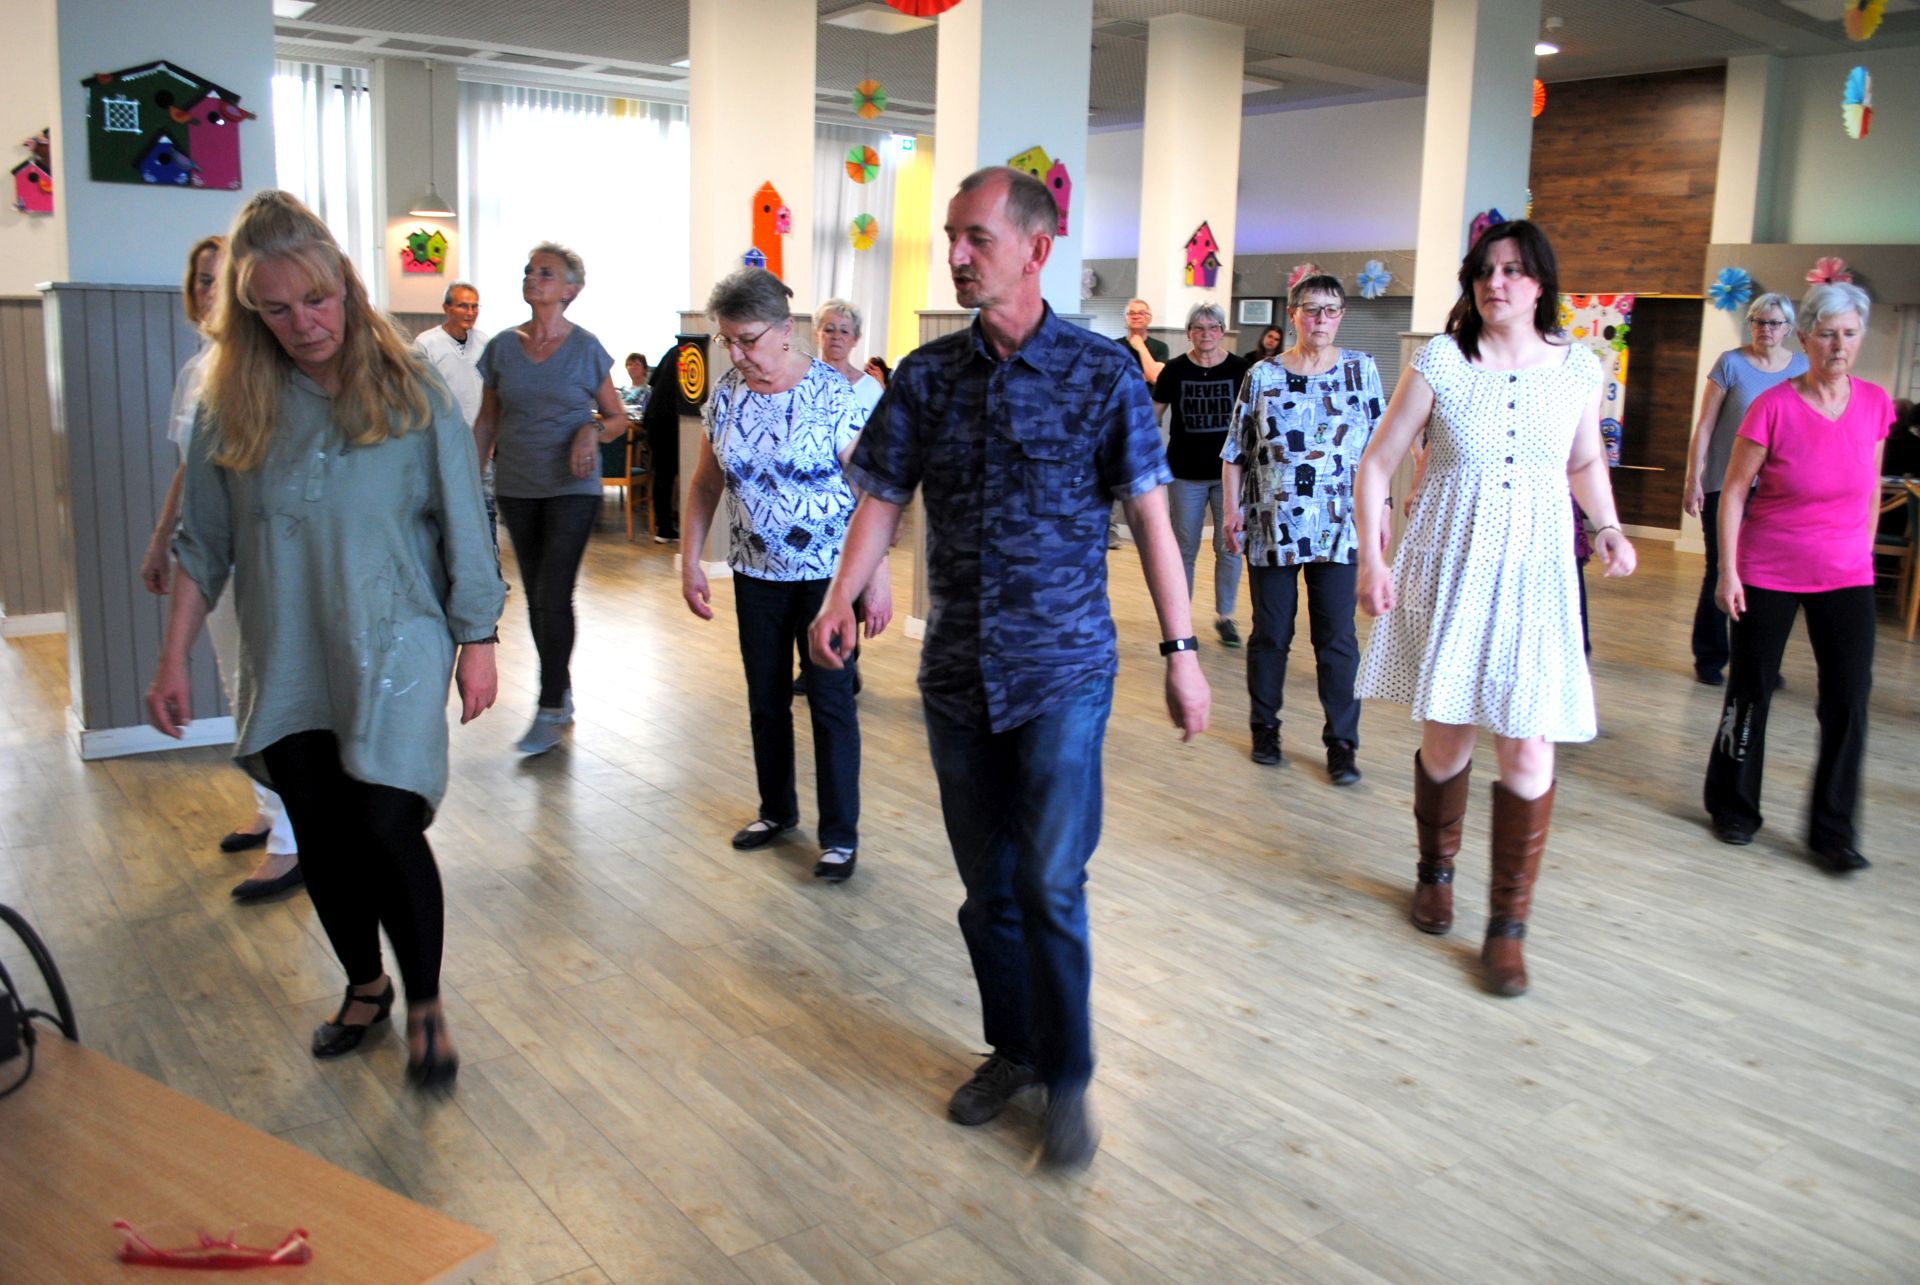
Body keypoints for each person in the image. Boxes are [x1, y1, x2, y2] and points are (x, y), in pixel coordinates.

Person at [808, 166, 1210, 1170]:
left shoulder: (1103, 374)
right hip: (956, 676)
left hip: (1063, 673)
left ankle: (1068, 1079)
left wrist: (1182, 650)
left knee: (1048, 881)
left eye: (976, 237)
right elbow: (882, 497)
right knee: (987, 889)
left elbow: (1152, 517)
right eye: (952, 235)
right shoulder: (925, 377)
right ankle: (1016, 1049)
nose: (956, 254)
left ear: (1037, 248)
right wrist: (840, 595)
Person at [144, 190, 503, 1090]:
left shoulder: (411, 387)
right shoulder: (231, 404)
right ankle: (366, 985)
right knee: (324, 831)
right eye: (275, 308)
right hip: (291, 649)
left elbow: (464, 517)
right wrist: (172, 656)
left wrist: (480, 636)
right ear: (248, 311)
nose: (303, 323)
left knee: (386, 820)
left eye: (316, 299)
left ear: (344, 283)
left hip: (398, 639)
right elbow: (201, 541)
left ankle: (426, 1002)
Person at [1352, 219, 1637, 999]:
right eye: (1484, 270)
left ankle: (1508, 925)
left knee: (1528, 747)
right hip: (1450, 564)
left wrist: (1608, 526)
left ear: (1540, 283)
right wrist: (1373, 558)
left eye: (1511, 270)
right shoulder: (1443, 361)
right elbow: (1377, 463)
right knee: (1447, 739)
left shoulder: (1578, 368)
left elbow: (1584, 459)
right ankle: (1435, 870)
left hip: (1537, 575)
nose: (1495, 282)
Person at [681, 269, 891, 882]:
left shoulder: (832, 393)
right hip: (756, 573)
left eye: (747, 340)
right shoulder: (726, 395)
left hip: (829, 580)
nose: (737, 354)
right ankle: (776, 810)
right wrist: (689, 560)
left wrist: (876, 576)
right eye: (728, 341)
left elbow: (869, 490)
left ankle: (839, 837)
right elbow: (706, 482)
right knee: (765, 700)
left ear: (782, 331)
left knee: (830, 703)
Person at [137, 234, 302, 900]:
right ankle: (269, 806)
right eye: (202, 279)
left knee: (269, 687)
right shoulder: (200, 368)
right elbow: (191, 470)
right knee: (235, 682)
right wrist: (162, 540)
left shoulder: (271, 366)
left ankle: (293, 839)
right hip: (209, 548)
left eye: (220, 278)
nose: (210, 290)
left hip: (260, 552)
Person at [1704, 282, 1890, 874]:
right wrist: (1728, 571)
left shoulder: (1875, 403)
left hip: (1846, 574)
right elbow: (1734, 492)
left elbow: (1870, 490)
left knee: (1848, 699)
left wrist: (1861, 555)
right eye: (1828, 334)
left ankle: (1833, 832)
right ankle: (1733, 806)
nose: (1840, 345)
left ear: (1860, 338)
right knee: (1750, 690)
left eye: (1850, 334)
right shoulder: (1773, 406)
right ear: (1805, 338)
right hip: (1769, 568)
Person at [1222, 274, 1385, 785]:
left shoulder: (1361, 369)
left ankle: (1342, 742)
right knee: (1271, 634)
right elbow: (1235, 450)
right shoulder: (1262, 375)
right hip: (1271, 524)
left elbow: (1378, 453)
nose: (1321, 319)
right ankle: (1264, 727)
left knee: (1337, 639)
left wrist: (1380, 513)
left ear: (1341, 316)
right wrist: (1230, 511)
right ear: (1293, 313)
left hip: (1339, 526)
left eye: (1331, 310)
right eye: (1311, 309)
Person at [472, 242, 631, 755]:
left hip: (571, 488)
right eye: (529, 271)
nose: (532, 278)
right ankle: (559, 693)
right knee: (538, 595)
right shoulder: (502, 347)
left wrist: (590, 431)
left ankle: (549, 705)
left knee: (552, 593)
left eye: (545, 273)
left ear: (571, 290)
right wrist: (468, 481)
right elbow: (488, 421)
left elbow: (616, 417)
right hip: (518, 486)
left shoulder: (586, 348)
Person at [1681, 293, 1805, 686]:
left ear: (1788, 329)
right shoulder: (1730, 364)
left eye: (1773, 323)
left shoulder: (1802, 368)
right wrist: (1693, 479)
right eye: (1758, 321)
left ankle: (1757, 662)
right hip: (1724, 483)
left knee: (1766, 580)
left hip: (1777, 491)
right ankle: (1709, 658)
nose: (1765, 329)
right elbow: (1705, 426)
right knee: (1721, 568)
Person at [1154, 302, 1248, 648]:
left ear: (1222, 331)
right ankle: (1180, 621)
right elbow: (1153, 416)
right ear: (1188, 333)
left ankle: (1226, 616)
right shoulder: (1174, 370)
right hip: (1184, 473)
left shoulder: (1241, 369)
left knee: (1230, 547)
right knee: (1184, 548)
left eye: (1212, 327)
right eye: (1198, 328)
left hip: (1230, 475)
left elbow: (1255, 417)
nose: (1206, 334)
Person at [415, 281, 494, 552]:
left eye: (474, 306)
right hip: (442, 443)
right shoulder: (426, 344)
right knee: (445, 511)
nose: (470, 312)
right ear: (446, 308)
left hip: (479, 443)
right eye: (463, 306)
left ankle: (489, 566)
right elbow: (418, 397)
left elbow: (494, 393)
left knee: (485, 509)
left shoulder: (484, 342)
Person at [813, 298, 885, 420]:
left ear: (856, 339)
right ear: (816, 335)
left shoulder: (871, 389)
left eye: (844, 331)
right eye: (829, 330)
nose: (836, 336)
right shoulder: (800, 382)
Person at [641, 340, 682, 543]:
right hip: (668, 419)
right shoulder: (694, 352)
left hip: (655, 417)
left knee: (663, 474)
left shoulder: (674, 351)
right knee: (667, 474)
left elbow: (653, 382)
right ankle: (665, 526)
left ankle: (664, 525)